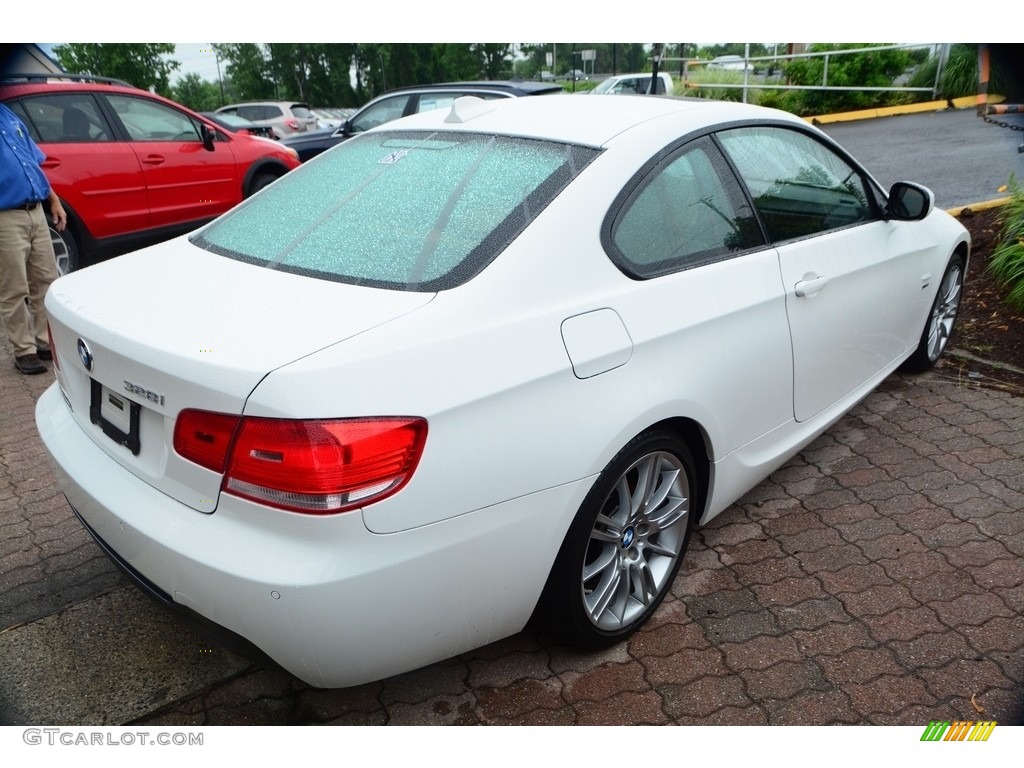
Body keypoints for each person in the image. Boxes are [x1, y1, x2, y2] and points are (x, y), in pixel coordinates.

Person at [0, 102, 66, 375]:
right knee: (14, 288)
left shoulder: (8, 115)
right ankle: (23, 350)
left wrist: (54, 201)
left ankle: (42, 341)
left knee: (46, 280)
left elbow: (31, 162)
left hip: (36, 211)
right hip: (6, 216)